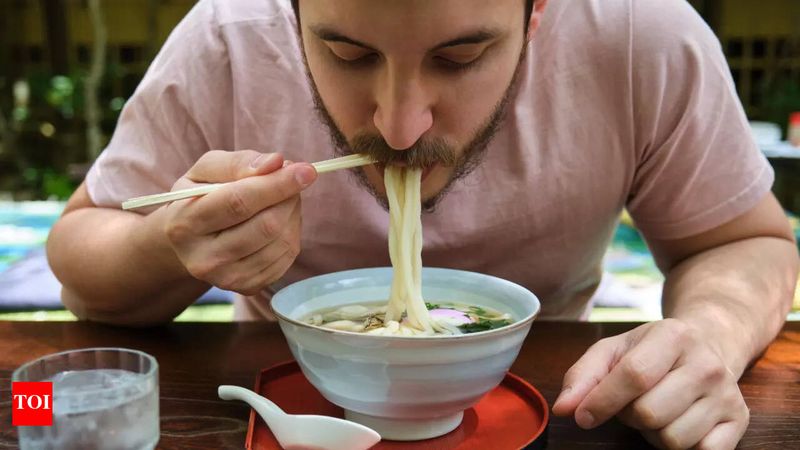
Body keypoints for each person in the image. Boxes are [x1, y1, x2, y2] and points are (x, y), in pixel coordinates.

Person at [47, 0, 798, 448]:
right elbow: (83, 259)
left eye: (461, 55)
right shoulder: (228, 35)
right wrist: (170, 244)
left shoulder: (640, 33)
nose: (400, 127)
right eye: (346, 51)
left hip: (553, 411)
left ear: (537, 13)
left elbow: (747, 240)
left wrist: (713, 331)